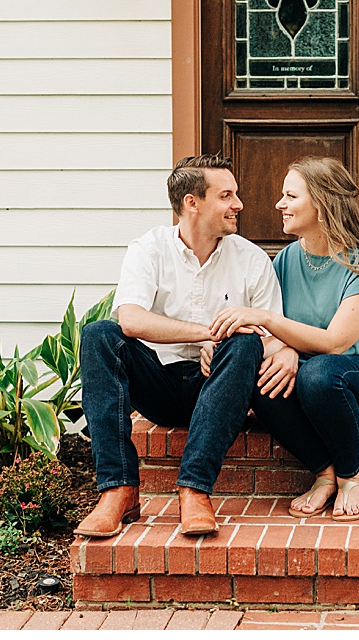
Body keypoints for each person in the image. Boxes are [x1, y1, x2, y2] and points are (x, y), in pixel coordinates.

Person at [74, 155, 290, 538]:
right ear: (192, 202)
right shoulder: (150, 249)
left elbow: (271, 339)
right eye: (226, 196)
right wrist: (208, 333)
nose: (238, 204)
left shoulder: (251, 259)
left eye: (235, 195)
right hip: (161, 384)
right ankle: (118, 489)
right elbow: (131, 320)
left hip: (225, 389)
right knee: (98, 334)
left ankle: (194, 490)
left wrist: (233, 344)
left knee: (243, 342)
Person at [210, 156, 359, 522]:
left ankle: (351, 476)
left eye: (290, 196)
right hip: (310, 384)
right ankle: (324, 473)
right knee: (254, 370)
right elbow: (268, 334)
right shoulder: (285, 259)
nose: (279, 204)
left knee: (320, 373)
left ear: (322, 204)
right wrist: (275, 347)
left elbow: (336, 342)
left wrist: (268, 319)